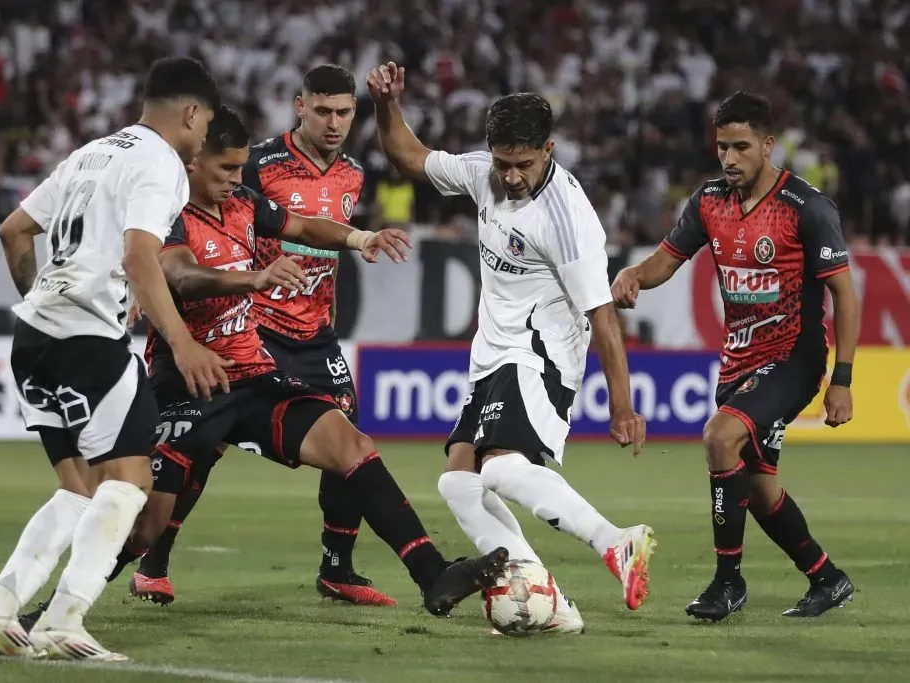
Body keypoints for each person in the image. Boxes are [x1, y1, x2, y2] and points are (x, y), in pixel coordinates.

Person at [367, 62, 656, 635]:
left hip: (540, 352)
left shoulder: (567, 221)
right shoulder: (484, 174)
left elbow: (601, 314)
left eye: (524, 164)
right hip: (491, 355)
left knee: (500, 471)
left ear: (548, 149)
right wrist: (385, 105)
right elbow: (408, 155)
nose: (513, 175)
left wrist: (621, 405)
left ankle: (615, 542)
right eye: (503, 162)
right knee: (457, 479)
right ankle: (540, 593)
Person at [0, 57, 231, 661]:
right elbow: (142, 257)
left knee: (79, 491)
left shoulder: (89, 153)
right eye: (205, 122)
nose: (203, 136)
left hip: (33, 336)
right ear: (191, 113)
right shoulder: (162, 164)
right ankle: (64, 620)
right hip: (89, 341)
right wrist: (183, 342)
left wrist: (44, 303)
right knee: (132, 482)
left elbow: (13, 230)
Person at [132, 64, 395, 608]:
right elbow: (214, 220)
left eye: (344, 112)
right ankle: (153, 558)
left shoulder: (351, 173)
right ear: (301, 107)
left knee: (348, 438)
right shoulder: (261, 165)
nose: (334, 122)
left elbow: (327, 254)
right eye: (322, 110)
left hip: (315, 332)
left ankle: (337, 567)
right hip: (258, 325)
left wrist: (332, 314)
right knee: (207, 441)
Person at [612, 91, 858, 621]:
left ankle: (727, 584)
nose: (728, 158)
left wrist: (842, 378)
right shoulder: (709, 202)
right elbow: (666, 260)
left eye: (740, 147)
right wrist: (634, 275)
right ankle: (827, 578)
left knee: (720, 436)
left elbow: (845, 294)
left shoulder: (807, 208)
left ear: (768, 146)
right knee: (757, 485)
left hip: (794, 357)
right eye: (722, 147)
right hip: (739, 362)